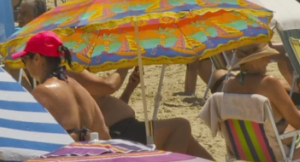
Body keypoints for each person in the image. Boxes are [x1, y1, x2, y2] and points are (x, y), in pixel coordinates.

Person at [72, 66, 213, 156]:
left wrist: (130, 88)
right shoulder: (72, 71)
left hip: (125, 128)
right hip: (119, 132)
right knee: (181, 126)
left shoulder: (78, 72)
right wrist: (124, 65)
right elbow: (109, 86)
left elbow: (105, 108)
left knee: (188, 142)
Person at [14, 31, 109, 141]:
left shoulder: (42, 92)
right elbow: (104, 135)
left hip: (62, 156)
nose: (25, 66)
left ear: (36, 58)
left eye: (24, 60)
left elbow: (28, 137)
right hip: (87, 155)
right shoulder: (80, 89)